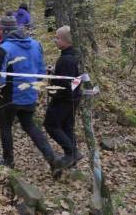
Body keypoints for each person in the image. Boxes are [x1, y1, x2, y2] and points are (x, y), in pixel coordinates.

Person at [0, 14, 65, 176]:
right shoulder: (36, 44)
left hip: (10, 95)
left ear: (3, 30)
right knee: (30, 125)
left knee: (5, 126)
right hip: (30, 94)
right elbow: (40, 70)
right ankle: (52, 159)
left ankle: (8, 161)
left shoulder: (4, 48)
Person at [44, 25, 83, 168]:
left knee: (50, 124)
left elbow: (66, 83)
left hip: (64, 99)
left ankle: (72, 152)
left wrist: (54, 92)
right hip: (72, 98)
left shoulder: (66, 59)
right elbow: (71, 77)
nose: (55, 40)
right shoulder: (71, 56)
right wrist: (54, 72)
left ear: (66, 41)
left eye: (58, 38)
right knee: (67, 127)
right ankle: (72, 157)